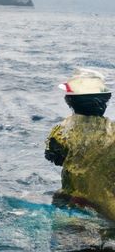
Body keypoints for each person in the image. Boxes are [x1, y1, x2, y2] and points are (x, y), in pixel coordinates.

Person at [45, 69, 115, 221]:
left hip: (71, 203)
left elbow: (54, 157)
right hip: (108, 208)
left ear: (69, 101)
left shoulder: (61, 130)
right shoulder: (113, 132)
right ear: (105, 101)